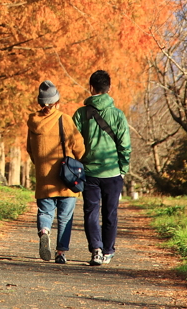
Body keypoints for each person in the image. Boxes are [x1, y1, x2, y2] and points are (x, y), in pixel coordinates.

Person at [73, 69, 132, 266]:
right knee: (110, 213)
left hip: (89, 171)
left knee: (91, 212)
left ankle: (96, 250)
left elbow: (73, 143)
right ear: (108, 88)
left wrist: (79, 162)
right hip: (113, 172)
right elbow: (125, 144)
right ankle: (108, 251)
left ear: (91, 88)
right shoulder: (117, 115)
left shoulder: (81, 114)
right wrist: (123, 168)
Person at [26, 80, 85, 264]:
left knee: (45, 212)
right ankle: (60, 253)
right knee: (65, 217)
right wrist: (80, 161)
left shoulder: (33, 122)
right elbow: (79, 147)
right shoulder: (64, 120)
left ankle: (44, 231)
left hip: (44, 178)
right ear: (56, 102)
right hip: (66, 178)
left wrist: (39, 165)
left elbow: (30, 149)